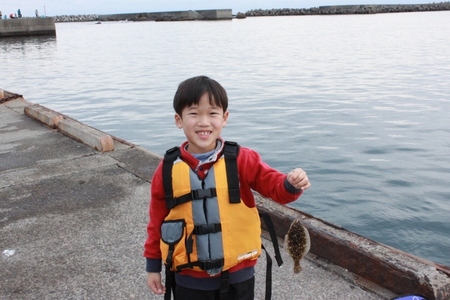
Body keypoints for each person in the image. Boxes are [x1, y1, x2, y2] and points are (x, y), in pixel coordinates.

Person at [144, 75, 311, 300]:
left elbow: (274, 187)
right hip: (188, 279)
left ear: (224, 118)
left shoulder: (242, 159)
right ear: (178, 120)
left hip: (238, 277)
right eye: (194, 113)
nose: (204, 122)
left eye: (212, 113)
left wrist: (291, 183)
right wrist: (152, 265)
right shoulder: (166, 169)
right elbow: (156, 221)